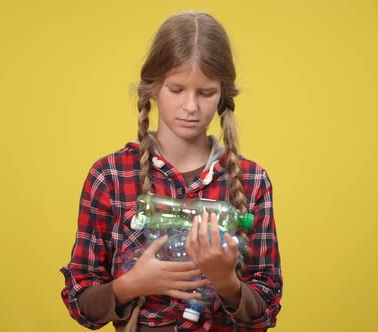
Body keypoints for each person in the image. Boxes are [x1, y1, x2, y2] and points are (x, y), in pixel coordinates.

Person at [60, 10, 282, 332]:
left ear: (222, 95)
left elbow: (266, 310)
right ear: (153, 88)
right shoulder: (110, 177)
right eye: (176, 89)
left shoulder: (252, 181)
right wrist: (132, 284)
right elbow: (82, 304)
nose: (191, 107)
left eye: (206, 93)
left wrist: (225, 281)